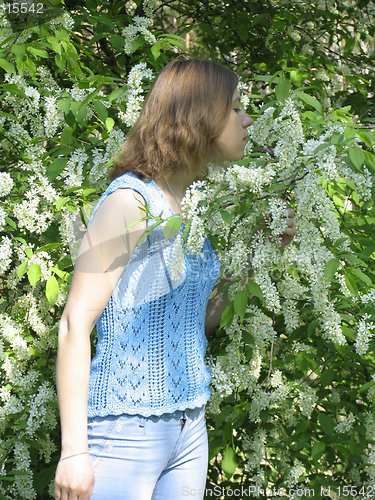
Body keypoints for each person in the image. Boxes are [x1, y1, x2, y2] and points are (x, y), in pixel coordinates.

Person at [54, 59, 295, 500]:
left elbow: (198, 322)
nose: (247, 120)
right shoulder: (130, 201)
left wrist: (258, 254)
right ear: (201, 116)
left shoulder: (189, 208)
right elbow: (74, 324)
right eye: (236, 108)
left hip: (188, 430)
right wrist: (73, 452)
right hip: (124, 433)